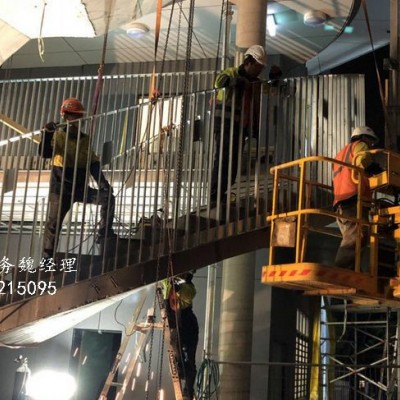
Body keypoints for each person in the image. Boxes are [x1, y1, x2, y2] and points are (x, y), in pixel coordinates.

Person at [39, 97, 116, 260]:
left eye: (77, 116)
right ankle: (47, 260)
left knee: (107, 198)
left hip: (80, 188)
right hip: (60, 190)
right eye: (71, 116)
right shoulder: (58, 136)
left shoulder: (85, 139)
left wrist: (103, 183)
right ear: (65, 117)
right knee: (53, 225)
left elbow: (93, 163)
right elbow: (45, 153)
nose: (74, 120)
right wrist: (47, 134)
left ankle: (104, 234)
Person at [210, 44, 266, 207]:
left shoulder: (254, 83)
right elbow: (219, 82)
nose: (260, 71)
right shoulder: (231, 72)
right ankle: (215, 196)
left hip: (240, 128)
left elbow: (267, 91)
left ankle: (222, 195)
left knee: (233, 164)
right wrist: (239, 82)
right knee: (223, 160)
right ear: (249, 62)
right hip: (225, 125)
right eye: (258, 67)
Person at [332, 126, 381, 269]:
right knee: (357, 237)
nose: (371, 145)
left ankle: (352, 271)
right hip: (353, 199)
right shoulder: (361, 145)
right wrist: (379, 170)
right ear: (364, 137)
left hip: (339, 203)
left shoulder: (341, 153)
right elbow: (363, 161)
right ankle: (341, 271)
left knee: (354, 239)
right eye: (371, 141)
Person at [161, 272, 199, 400]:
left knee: (190, 360)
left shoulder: (188, 287)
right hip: (176, 325)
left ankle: (188, 391)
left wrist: (178, 290)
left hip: (188, 325)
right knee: (175, 344)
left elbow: (189, 295)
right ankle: (182, 368)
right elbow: (165, 285)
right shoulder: (167, 284)